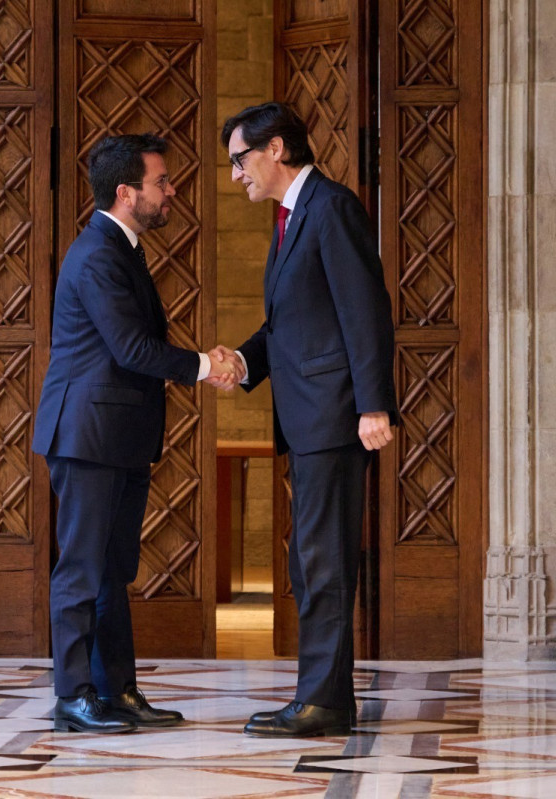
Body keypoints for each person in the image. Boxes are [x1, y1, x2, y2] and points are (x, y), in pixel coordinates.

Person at [32, 133, 239, 733]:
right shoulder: (97, 252)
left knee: (111, 570)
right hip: (88, 436)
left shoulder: (122, 247)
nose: (171, 190)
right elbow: (129, 347)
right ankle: (73, 695)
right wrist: (205, 365)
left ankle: (117, 689)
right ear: (127, 193)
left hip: (115, 437)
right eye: (161, 182)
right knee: (80, 570)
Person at [216, 102, 398, 738]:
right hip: (306, 418)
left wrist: (374, 405)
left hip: (332, 417)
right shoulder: (291, 218)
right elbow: (287, 325)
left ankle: (321, 702)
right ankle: (327, 697)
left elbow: (365, 311)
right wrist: (243, 362)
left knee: (322, 560)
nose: (236, 173)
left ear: (274, 149)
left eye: (240, 159)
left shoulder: (331, 206)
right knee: (311, 560)